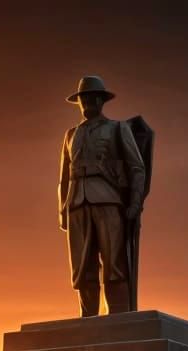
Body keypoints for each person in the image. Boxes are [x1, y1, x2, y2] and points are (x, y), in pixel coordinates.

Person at [58, 75, 146, 316]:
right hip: (77, 202)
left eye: (91, 98)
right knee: (82, 268)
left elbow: (137, 167)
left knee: (114, 264)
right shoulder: (70, 134)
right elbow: (64, 176)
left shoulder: (118, 129)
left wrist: (135, 203)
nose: (87, 103)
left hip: (108, 199)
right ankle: (88, 318)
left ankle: (118, 318)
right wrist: (62, 210)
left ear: (100, 100)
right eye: (82, 99)